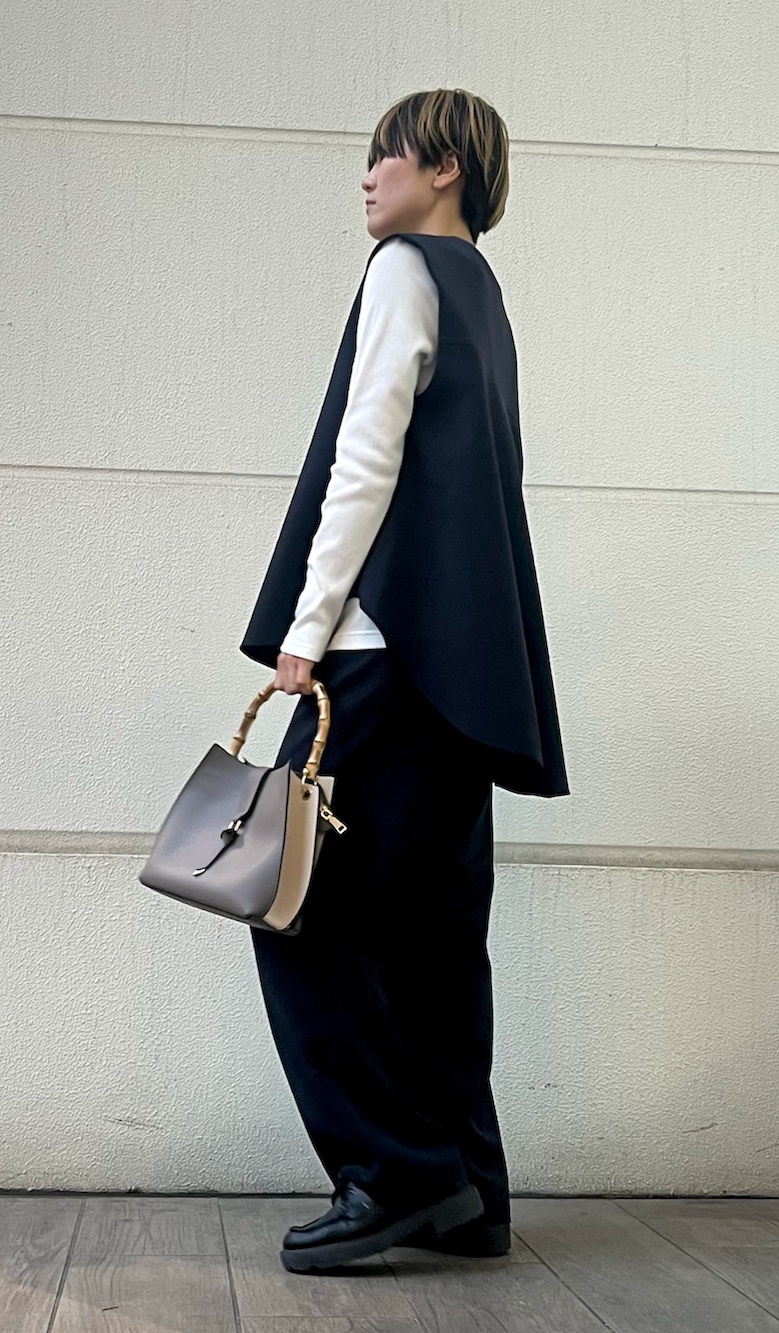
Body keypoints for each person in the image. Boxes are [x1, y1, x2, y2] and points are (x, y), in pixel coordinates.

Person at [239, 88, 570, 1274]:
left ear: (442, 168)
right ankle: (470, 1192)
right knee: (435, 936)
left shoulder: (403, 271)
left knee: (288, 901)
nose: (368, 173)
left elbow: (363, 458)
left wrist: (307, 625)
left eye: (386, 152)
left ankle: (395, 1171)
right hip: (460, 673)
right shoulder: (483, 294)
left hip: (379, 654)